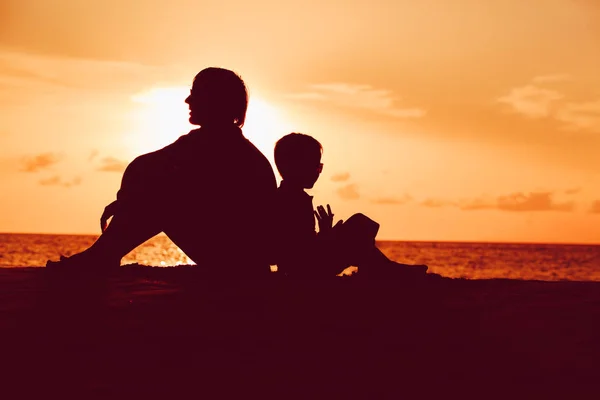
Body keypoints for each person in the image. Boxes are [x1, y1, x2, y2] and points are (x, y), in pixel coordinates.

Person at [47, 67, 277, 277]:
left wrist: (127, 200)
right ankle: (101, 256)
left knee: (159, 201)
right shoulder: (215, 143)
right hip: (236, 257)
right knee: (157, 196)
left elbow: (144, 169)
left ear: (214, 101)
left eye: (195, 94)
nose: (188, 100)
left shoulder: (217, 146)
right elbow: (147, 167)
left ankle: (100, 258)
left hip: (236, 264)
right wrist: (129, 200)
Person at [272, 132, 429, 279]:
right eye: (315, 167)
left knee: (359, 226)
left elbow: (301, 245)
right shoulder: (293, 201)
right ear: (299, 166)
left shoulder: (287, 197)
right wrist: (326, 234)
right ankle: (386, 270)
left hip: (306, 267)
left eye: (319, 167)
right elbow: (301, 253)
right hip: (309, 272)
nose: (318, 172)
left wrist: (326, 233)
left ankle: (385, 268)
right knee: (359, 224)